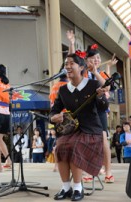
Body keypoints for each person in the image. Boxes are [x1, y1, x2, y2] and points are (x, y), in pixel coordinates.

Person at [50, 51, 105, 201]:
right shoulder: (63, 89)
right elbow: (54, 111)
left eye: (71, 64)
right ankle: (65, 187)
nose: (67, 67)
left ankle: (77, 187)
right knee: (60, 146)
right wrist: (53, 117)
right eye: (65, 64)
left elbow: (103, 107)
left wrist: (100, 97)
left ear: (81, 68)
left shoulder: (93, 84)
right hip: (71, 130)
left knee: (75, 146)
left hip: (91, 131)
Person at [85, 43, 117, 183]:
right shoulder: (83, 74)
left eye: (98, 58)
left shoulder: (101, 73)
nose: (96, 60)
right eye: (92, 58)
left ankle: (108, 172)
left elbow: (107, 86)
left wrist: (96, 72)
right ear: (86, 61)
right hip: (87, 109)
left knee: (103, 140)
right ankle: (88, 171)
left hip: (100, 108)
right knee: (88, 141)